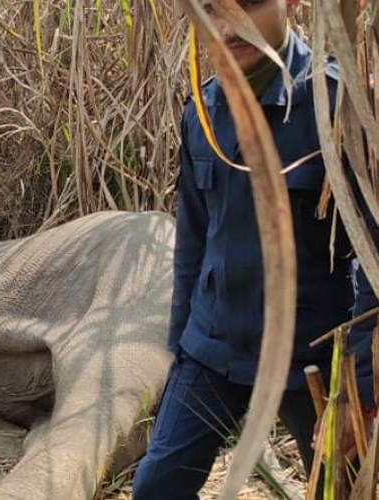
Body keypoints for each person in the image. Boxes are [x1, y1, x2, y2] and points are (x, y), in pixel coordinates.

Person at [132, 1, 377, 497]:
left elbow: (374, 259)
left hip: (309, 357)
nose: (228, 27)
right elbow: (193, 242)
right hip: (212, 345)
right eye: (210, 10)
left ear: (291, 3)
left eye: (249, 5)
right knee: (157, 486)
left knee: (340, 490)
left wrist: (361, 393)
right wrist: (179, 351)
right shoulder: (202, 111)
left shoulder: (338, 104)